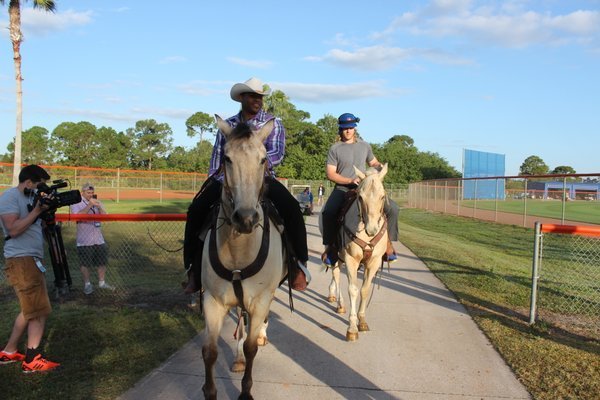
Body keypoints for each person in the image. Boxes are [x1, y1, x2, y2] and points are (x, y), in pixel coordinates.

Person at [183, 77, 311, 293]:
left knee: (291, 209)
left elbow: (277, 154)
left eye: (260, 96)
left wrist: (250, 161)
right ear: (242, 98)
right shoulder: (228, 125)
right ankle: (193, 270)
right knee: (196, 210)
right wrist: (214, 180)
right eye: (252, 96)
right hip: (228, 180)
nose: (257, 100)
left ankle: (299, 265)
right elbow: (217, 157)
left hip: (263, 178)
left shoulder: (272, 123)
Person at [0, 165, 61, 373]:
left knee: (29, 309)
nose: (40, 189)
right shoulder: (10, 197)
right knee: (38, 310)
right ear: (28, 182)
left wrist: (45, 213)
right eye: (38, 185)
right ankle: (32, 359)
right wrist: (37, 211)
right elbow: (14, 229)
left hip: (31, 258)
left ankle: (9, 351)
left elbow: (34, 225)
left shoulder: (31, 199)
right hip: (21, 259)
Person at [321, 113, 400, 266]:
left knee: (394, 209)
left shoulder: (364, 145)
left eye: (350, 128)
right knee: (329, 211)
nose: (348, 131)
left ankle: (389, 244)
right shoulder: (335, 148)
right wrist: (350, 180)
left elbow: (374, 162)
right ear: (340, 129)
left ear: (355, 128)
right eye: (345, 128)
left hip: (365, 189)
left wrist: (380, 168)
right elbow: (330, 173)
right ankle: (331, 247)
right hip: (344, 188)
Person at [70, 183, 113, 295]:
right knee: (85, 263)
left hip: (98, 238)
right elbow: (77, 216)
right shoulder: (76, 203)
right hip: (84, 239)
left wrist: (99, 207)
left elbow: (105, 216)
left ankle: (102, 283)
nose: (91, 195)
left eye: (92, 193)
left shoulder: (96, 202)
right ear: (82, 193)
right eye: (88, 193)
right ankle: (87, 284)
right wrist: (89, 205)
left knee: (102, 261)